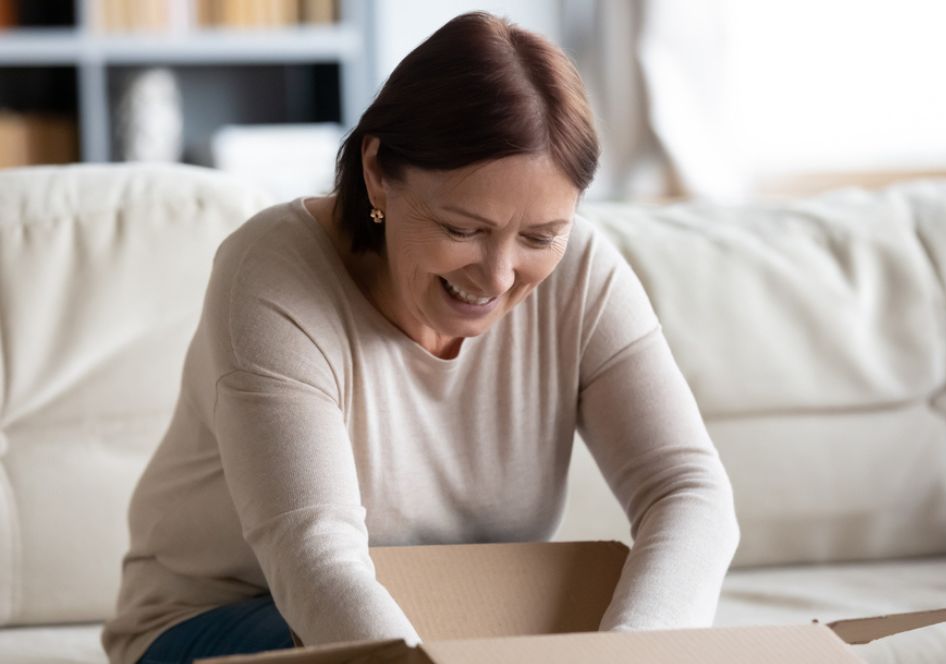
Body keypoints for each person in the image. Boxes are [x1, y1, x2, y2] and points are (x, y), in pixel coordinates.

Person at [102, 11, 740, 664]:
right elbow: (316, 557)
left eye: (540, 237)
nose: (496, 276)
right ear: (379, 171)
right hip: (235, 621)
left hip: (460, 626)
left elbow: (689, 490)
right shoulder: (272, 276)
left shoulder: (583, 273)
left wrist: (633, 656)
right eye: (463, 229)